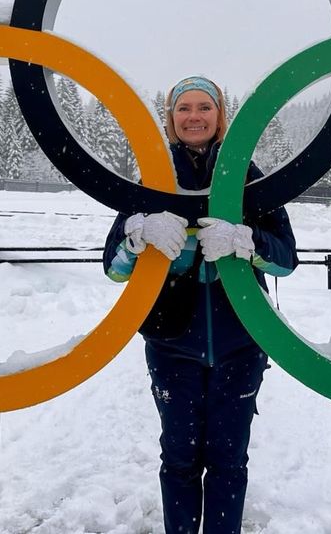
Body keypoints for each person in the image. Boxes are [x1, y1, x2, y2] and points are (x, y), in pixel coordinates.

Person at [103, 75, 298, 534]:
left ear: (220, 116)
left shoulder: (247, 175)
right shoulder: (153, 175)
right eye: (184, 108)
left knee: (229, 460)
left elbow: (287, 259)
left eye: (204, 107)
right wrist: (138, 234)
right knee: (180, 459)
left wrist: (246, 241)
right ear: (170, 120)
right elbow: (113, 267)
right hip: (172, 344)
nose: (194, 116)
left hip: (243, 342)